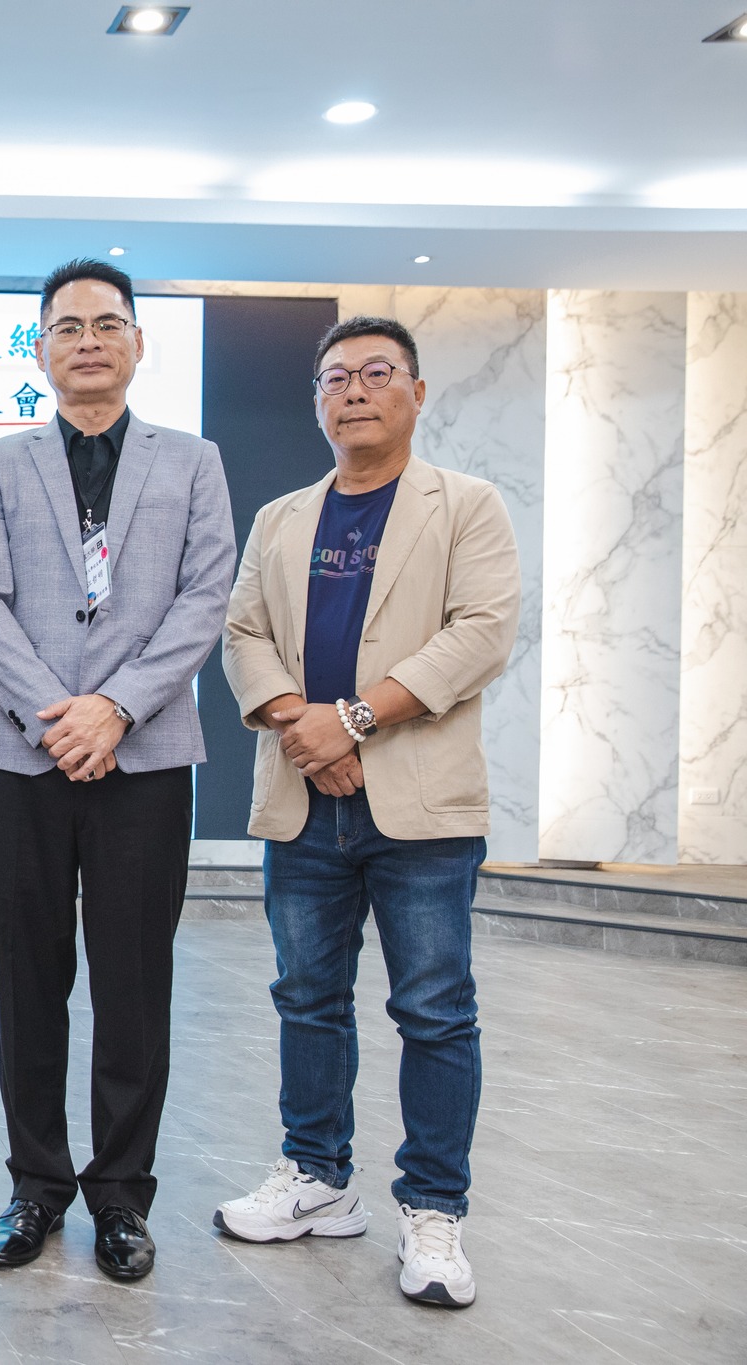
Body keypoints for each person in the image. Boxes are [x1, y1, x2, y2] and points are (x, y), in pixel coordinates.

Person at [214, 316, 518, 1309]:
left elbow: (480, 633)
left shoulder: (464, 506)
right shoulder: (280, 517)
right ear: (316, 402)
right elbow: (243, 632)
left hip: (421, 807)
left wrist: (350, 720)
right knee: (305, 996)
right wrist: (299, 726)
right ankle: (317, 1176)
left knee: (432, 1008)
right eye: (334, 377)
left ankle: (432, 1209)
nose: (353, 390)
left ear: (416, 393)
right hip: (303, 800)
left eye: (376, 372)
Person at [0, 258, 235, 1280]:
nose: (87, 340)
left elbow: (205, 597)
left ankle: (120, 1194)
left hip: (146, 758)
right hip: (24, 760)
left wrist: (114, 708)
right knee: (27, 984)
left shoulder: (192, 461)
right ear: (39, 349)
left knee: (133, 986)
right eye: (66, 326)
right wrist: (56, 717)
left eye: (105, 324)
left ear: (136, 344)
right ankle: (35, 1185)